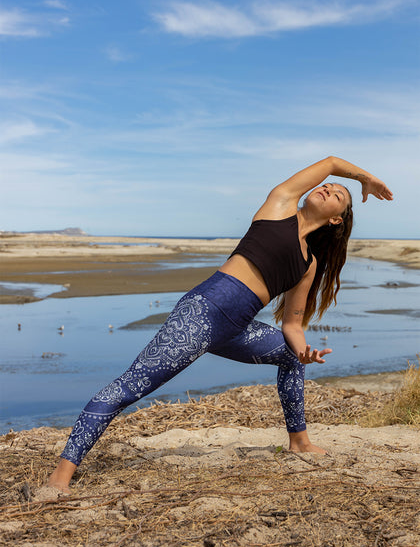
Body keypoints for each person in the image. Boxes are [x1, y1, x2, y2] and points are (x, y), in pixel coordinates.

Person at [48, 156, 393, 491]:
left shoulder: (308, 263)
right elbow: (331, 162)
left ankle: (300, 443)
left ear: (337, 220)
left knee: (288, 356)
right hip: (200, 314)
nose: (329, 188)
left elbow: (292, 323)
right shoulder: (280, 205)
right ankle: (60, 477)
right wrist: (363, 179)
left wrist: (303, 351)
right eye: (328, 186)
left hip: (237, 328)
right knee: (129, 387)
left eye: (337, 195)